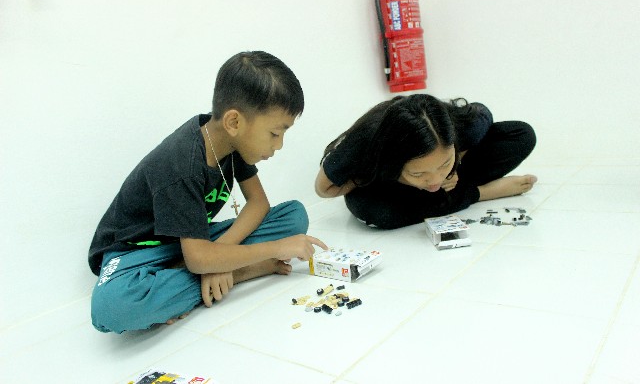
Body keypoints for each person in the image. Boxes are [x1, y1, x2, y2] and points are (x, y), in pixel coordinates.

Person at [89, 51, 327, 333]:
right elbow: (199, 258)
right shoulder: (182, 163)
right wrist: (277, 249)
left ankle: (197, 278)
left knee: (294, 216)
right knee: (112, 307)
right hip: (136, 253)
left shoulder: (231, 142)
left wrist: (219, 255)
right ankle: (240, 272)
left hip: (192, 241)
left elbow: (258, 204)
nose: (279, 145)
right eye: (275, 133)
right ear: (234, 122)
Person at [315, 94, 537, 229]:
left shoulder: (462, 125)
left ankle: (438, 170)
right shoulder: (364, 142)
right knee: (373, 212)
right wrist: (371, 175)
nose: (435, 182)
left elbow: (483, 111)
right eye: (418, 173)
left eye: (443, 164)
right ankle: (480, 192)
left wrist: (455, 166)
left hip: (452, 165)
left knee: (522, 135)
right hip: (389, 185)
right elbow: (323, 189)